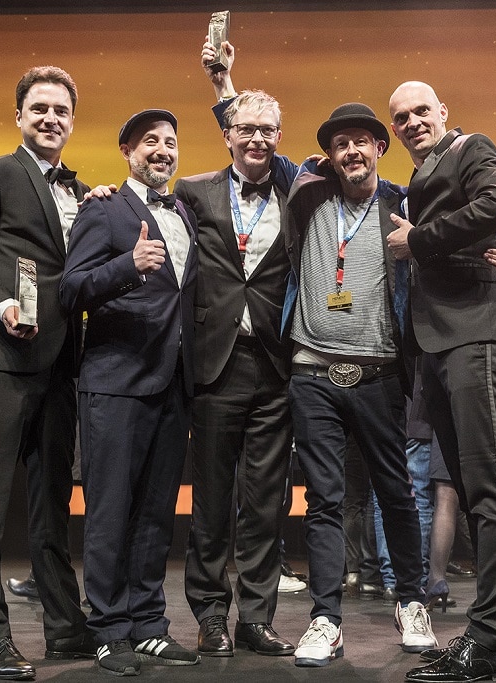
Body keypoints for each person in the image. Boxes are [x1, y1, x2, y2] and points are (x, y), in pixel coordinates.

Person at [0, 66, 91, 680]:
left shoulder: (82, 192)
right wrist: (0, 301)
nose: (51, 118)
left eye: (61, 110)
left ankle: (65, 627)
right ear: (20, 116)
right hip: (1, 360)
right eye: (40, 108)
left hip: (61, 366)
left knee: (52, 505)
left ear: (73, 121)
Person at [281, 102, 434, 668]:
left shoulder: (403, 203)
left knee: (395, 492)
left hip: (378, 373)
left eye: (361, 141)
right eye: (340, 143)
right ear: (329, 155)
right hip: (312, 371)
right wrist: (223, 82)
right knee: (323, 499)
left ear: (379, 148)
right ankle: (325, 618)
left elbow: (453, 230)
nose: (351, 151)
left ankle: (411, 602)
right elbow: (252, 147)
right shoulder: (308, 194)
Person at [387, 81, 496, 683]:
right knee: (475, 491)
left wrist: (417, 239)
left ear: (443, 111)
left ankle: (489, 634)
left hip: (477, 334)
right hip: (442, 342)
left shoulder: (472, 147)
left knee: (490, 488)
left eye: (422, 110)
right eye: (401, 117)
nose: (413, 121)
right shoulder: (420, 176)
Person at [60, 108, 201, 677]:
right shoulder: (103, 208)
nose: (162, 150)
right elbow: (70, 289)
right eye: (150, 142)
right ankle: (109, 628)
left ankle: (148, 625)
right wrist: (128, 264)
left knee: (155, 514)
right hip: (116, 381)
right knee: (110, 510)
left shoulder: (184, 211)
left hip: (174, 382)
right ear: (127, 151)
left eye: (170, 142)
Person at [173, 42, 301, 658]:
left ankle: (256, 616)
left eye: (267, 130)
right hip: (214, 365)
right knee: (212, 502)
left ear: (279, 137)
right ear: (227, 134)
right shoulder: (193, 191)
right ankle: (209, 614)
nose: (256, 138)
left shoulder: (297, 191)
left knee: (266, 503)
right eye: (246, 128)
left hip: (274, 366)